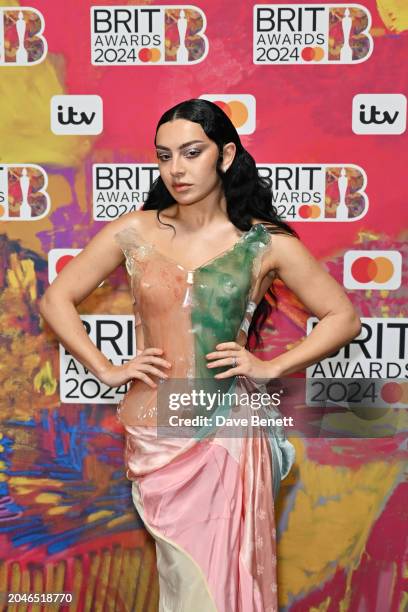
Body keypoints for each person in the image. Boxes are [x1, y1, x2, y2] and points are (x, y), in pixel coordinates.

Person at [39, 98, 362, 612]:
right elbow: (55, 299)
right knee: (184, 580)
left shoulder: (263, 243)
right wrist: (105, 368)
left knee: (221, 583)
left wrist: (271, 365)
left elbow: (344, 317)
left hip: (227, 436)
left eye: (191, 152)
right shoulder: (136, 231)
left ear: (226, 155)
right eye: (164, 156)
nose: (176, 169)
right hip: (156, 434)